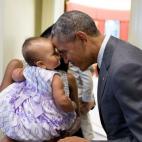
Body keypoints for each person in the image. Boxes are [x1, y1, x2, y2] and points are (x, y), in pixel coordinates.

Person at [51, 10, 142, 142]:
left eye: (64, 52)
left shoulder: (124, 67)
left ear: (82, 38)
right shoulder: (111, 56)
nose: (65, 60)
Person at [0, 37, 78, 142]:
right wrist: (72, 105)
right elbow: (62, 101)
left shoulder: (28, 70)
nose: (58, 54)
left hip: (26, 114)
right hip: (44, 117)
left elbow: (15, 75)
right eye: (54, 53)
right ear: (41, 64)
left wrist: (22, 73)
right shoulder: (54, 77)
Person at [41, 25, 95, 140]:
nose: (60, 56)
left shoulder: (67, 75)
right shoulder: (25, 70)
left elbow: (87, 80)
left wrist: (88, 99)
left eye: (58, 52)